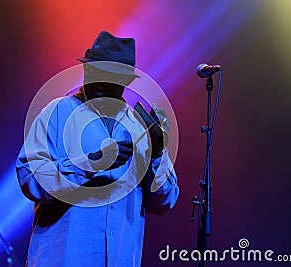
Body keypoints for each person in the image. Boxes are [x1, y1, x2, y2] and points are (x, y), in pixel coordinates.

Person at [16, 31, 179, 267]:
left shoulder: (139, 128)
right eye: (95, 72)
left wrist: (156, 154)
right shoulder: (58, 112)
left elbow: (165, 201)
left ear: (126, 81)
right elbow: (29, 178)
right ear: (86, 70)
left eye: (111, 77)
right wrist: (90, 163)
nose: (100, 81)